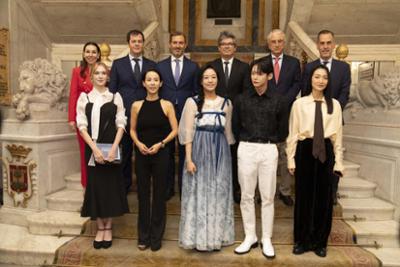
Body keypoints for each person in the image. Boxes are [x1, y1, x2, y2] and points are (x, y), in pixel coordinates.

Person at [233, 59, 288, 259]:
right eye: (253, 73)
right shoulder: (241, 99)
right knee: (247, 196)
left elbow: (283, 130)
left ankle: (266, 238)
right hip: (246, 147)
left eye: (260, 73)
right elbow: (235, 125)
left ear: (269, 76)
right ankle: (250, 236)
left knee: (267, 197)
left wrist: (271, 142)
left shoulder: (279, 100)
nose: (255, 77)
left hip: (269, 148)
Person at [287, 64, 344, 257]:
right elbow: (293, 133)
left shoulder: (334, 105)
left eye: (324, 78)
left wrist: (339, 162)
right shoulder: (299, 104)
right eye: (317, 77)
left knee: (323, 199)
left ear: (328, 81)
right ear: (310, 79)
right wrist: (290, 159)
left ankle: (320, 242)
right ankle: (301, 241)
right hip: (305, 150)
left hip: (326, 151)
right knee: (303, 197)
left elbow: (338, 136)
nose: (321, 80)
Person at [178, 64, 235, 251]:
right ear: (201, 81)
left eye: (213, 77)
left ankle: (217, 236)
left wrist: (227, 160)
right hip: (199, 152)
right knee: (198, 191)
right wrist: (188, 159)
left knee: (219, 192)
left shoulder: (226, 103)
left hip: (220, 154)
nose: (210, 80)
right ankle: (198, 238)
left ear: (218, 80)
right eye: (206, 77)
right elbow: (187, 132)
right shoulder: (192, 102)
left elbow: (228, 134)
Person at [77, 62, 129, 249]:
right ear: (91, 77)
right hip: (92, 147)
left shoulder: (115, 97)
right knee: (96, 188)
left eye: (103, 73)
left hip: (111, 147)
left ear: (108, 77)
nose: (100, 76)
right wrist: (95, 149)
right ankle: (100, 227)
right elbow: (81, 126)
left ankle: (109, 227)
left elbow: (121, 124)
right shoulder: (84, 98)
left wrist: (114, 148)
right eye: (96, 73)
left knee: (109, 188)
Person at [130, 69, 178, 251]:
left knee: (159, 195)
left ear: (161, 84)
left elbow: (175, 130)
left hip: (161, 153)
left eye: (155, 80)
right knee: (142, 194)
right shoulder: (136, 105)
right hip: (142, 153)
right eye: (148, 80)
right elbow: (132, 129)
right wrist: (138, 143)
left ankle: (156, 237)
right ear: (143, 83)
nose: (152, 83)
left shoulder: (167, 105)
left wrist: (161, 144)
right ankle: (143, 236)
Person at [301, 29, 350, 205]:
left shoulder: (343, 68)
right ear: (317, 45)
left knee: (334, 156)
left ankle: (332, 192)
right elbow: (306, 94)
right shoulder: (308, 67)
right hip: (312, 122)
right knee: (313, 159)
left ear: (334, 44)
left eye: (328, 43)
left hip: (333, 121)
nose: (325, 46)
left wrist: (332, 112)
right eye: (322, 43)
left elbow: (345, 93)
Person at [109, 29, 157, 193]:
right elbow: (112, 91)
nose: (137, 44)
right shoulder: (118, 63)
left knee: (144, 152)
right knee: (126, 152)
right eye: (133, 41)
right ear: (128, 43)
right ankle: (125, 185)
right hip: (124, 116)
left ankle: (144, 184)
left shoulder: (152, 65)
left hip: (146, 115)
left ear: (143, 43)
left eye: (139, 41)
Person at [258, 29, 301, 206]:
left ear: (284, 43)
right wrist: (270, 101)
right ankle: (264, 192)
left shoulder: (294, 62)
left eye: (280, 41)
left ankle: (284, 191)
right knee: (265, 154)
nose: (277, 44)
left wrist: (284, 101)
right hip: (265, 112)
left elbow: (297, 83)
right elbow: (257, 82)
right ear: (268, 44)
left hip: (286, 112)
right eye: (273, 41)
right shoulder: (260, 63)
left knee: (285, 152)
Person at [208, 31, 251, 204]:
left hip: (236, 118)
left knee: (234, 156)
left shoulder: (244, 67)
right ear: (219, 48)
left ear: (235, 48)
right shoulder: (211, 66)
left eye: (230, 44)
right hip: (214, 116)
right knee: (215, 154)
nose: (227, 47)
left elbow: (247, 92)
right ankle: (215, 189)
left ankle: (235, 189)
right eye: (223, 44)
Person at [156, 32, 199, 200]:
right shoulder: (160, 66)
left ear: (185, 44)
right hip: (165, 114)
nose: (177, 46)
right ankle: (167, 188)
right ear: (169, 44)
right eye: (175, 42)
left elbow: (196, 91)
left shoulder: (193, 67)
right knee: (165, 152)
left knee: (184, 151)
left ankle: (184, 188)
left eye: (181, 43)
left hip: (186, 114)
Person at [68, 42, 101, 187]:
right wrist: (71, 118)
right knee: (85, 154)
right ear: (83, 54)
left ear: (98, 55)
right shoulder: (77, 71)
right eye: (88, 51)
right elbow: (73, 95)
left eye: (94, 52)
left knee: (100, 151)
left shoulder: (104, 71)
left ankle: (99, 188)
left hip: (101, 117)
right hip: (83, 118)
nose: (91, 55)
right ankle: (86, 188)